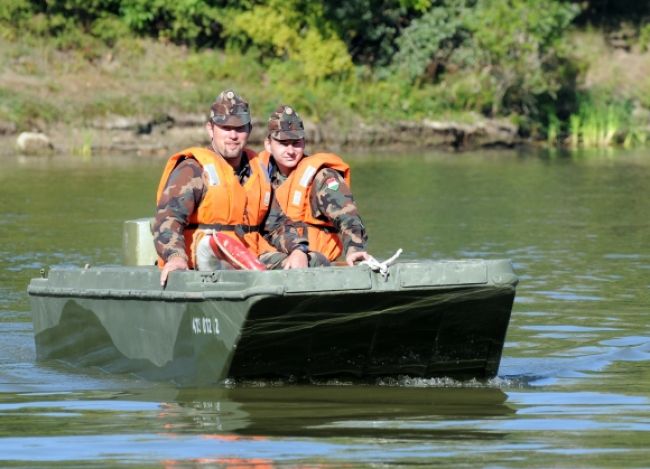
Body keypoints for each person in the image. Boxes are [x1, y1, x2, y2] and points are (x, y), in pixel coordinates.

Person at [153, 90, 310, 286]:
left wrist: (298, 250)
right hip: (203, 267)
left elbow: (277, 224)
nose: (233, 135)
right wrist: (175, 257)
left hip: (251, 260)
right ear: (210, 129)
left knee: (313, 262)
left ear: (249, 130)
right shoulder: (192, 170)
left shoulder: (257, 171)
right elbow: (168, 221)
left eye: (240, 128)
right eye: (226, 127)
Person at [259, 105, 370, 266]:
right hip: (272, 259)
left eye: (296, 143)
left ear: (304, 143)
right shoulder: (256, 175)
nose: (290, 150)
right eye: (283, 143)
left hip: (315, 263)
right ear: (268, 144)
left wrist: (354, 249)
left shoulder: (322, 177)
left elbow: (347, 216)